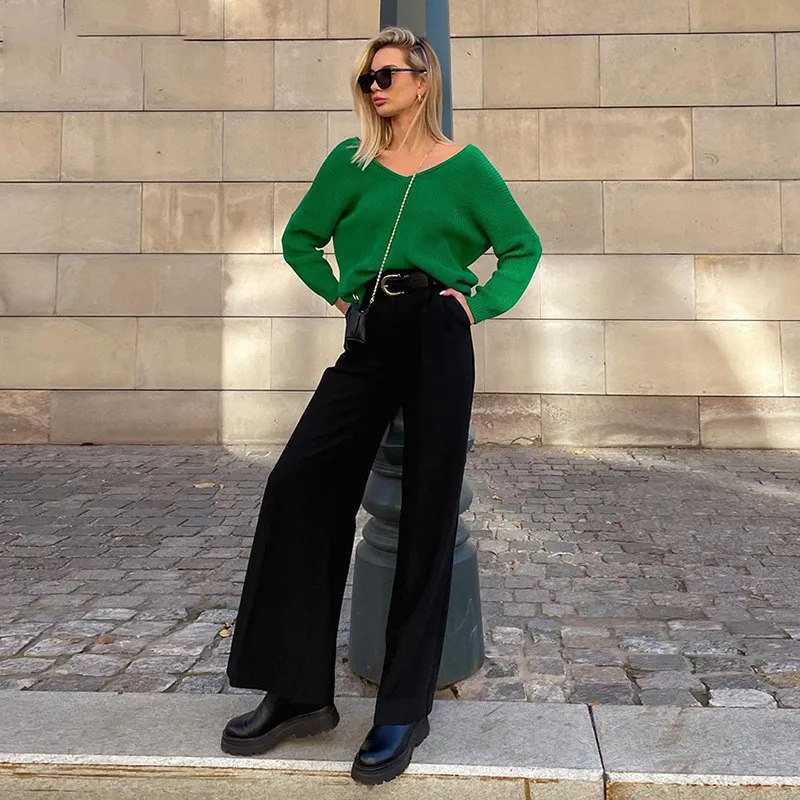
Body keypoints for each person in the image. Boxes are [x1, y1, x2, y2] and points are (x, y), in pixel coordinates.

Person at [221, 25, 542, 786]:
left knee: (429, 513)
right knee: (299, 484)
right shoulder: (351, 161)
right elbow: (302, 239)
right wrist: (341, 294)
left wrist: (476, 305)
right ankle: (298, 692)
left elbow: (521, 247)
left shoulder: (466, 167)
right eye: (366, 77)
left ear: (422, 81)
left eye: (386, 74)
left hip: (438, 330)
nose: (373, 87)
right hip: (370, 331)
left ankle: (403, 708)